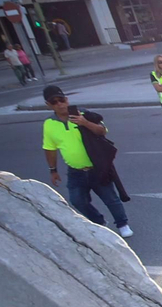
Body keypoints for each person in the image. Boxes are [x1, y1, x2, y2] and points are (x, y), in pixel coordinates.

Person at [40, 84, 131, 238]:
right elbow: (50, 148)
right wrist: (53, 170)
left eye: (61, 100)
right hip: (75, 171)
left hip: (97, 167)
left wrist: (84, 122)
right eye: (54, 102)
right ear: (48, 105)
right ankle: (99, 222)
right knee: (77, 201)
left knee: (110, 198)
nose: (59, 104)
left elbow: (102, 131)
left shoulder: (84, 114)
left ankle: (122, 224)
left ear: (67, 99)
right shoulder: (49, 124)